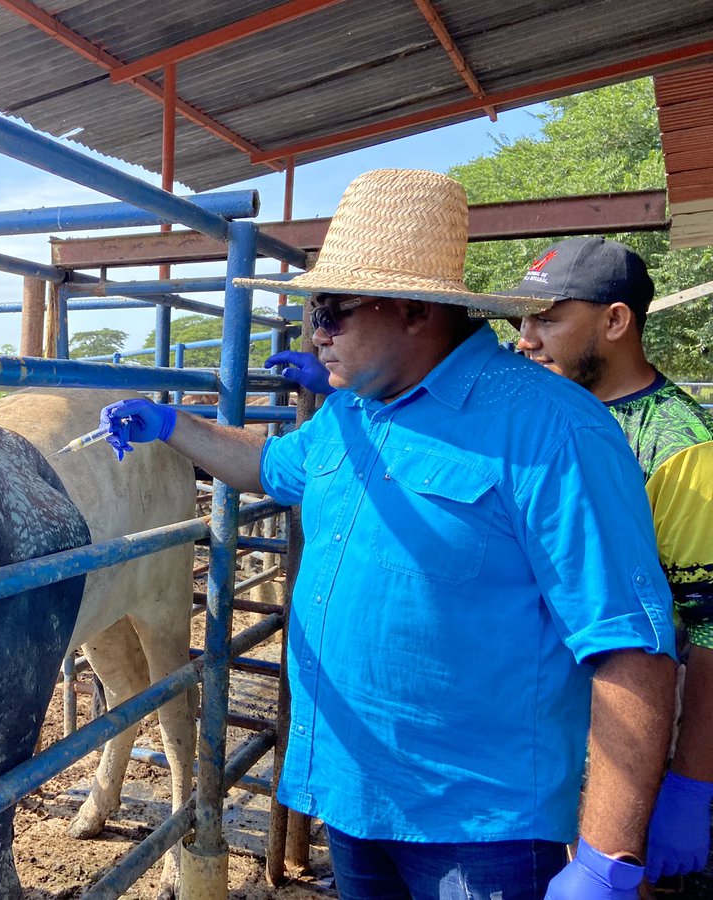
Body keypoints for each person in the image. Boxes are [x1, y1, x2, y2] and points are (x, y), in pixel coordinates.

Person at [95, 169, 677, 900]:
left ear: (412, 310)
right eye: (314, 311)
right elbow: (268, 465)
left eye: (334, 311)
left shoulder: (554, 429)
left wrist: (606, 860)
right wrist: (171, 422)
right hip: (352, 794)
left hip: (477, 829)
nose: (316, 332)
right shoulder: (353, 410)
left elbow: (632, 648)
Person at [509, 237, 713, 889]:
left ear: (616, 321)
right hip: (538, 736)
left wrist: (691, 781)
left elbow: (711, 631)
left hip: (625, 739)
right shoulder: (539, 412)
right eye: (522, 319)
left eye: (547, 319)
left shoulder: (682, 449)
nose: (524, 339)